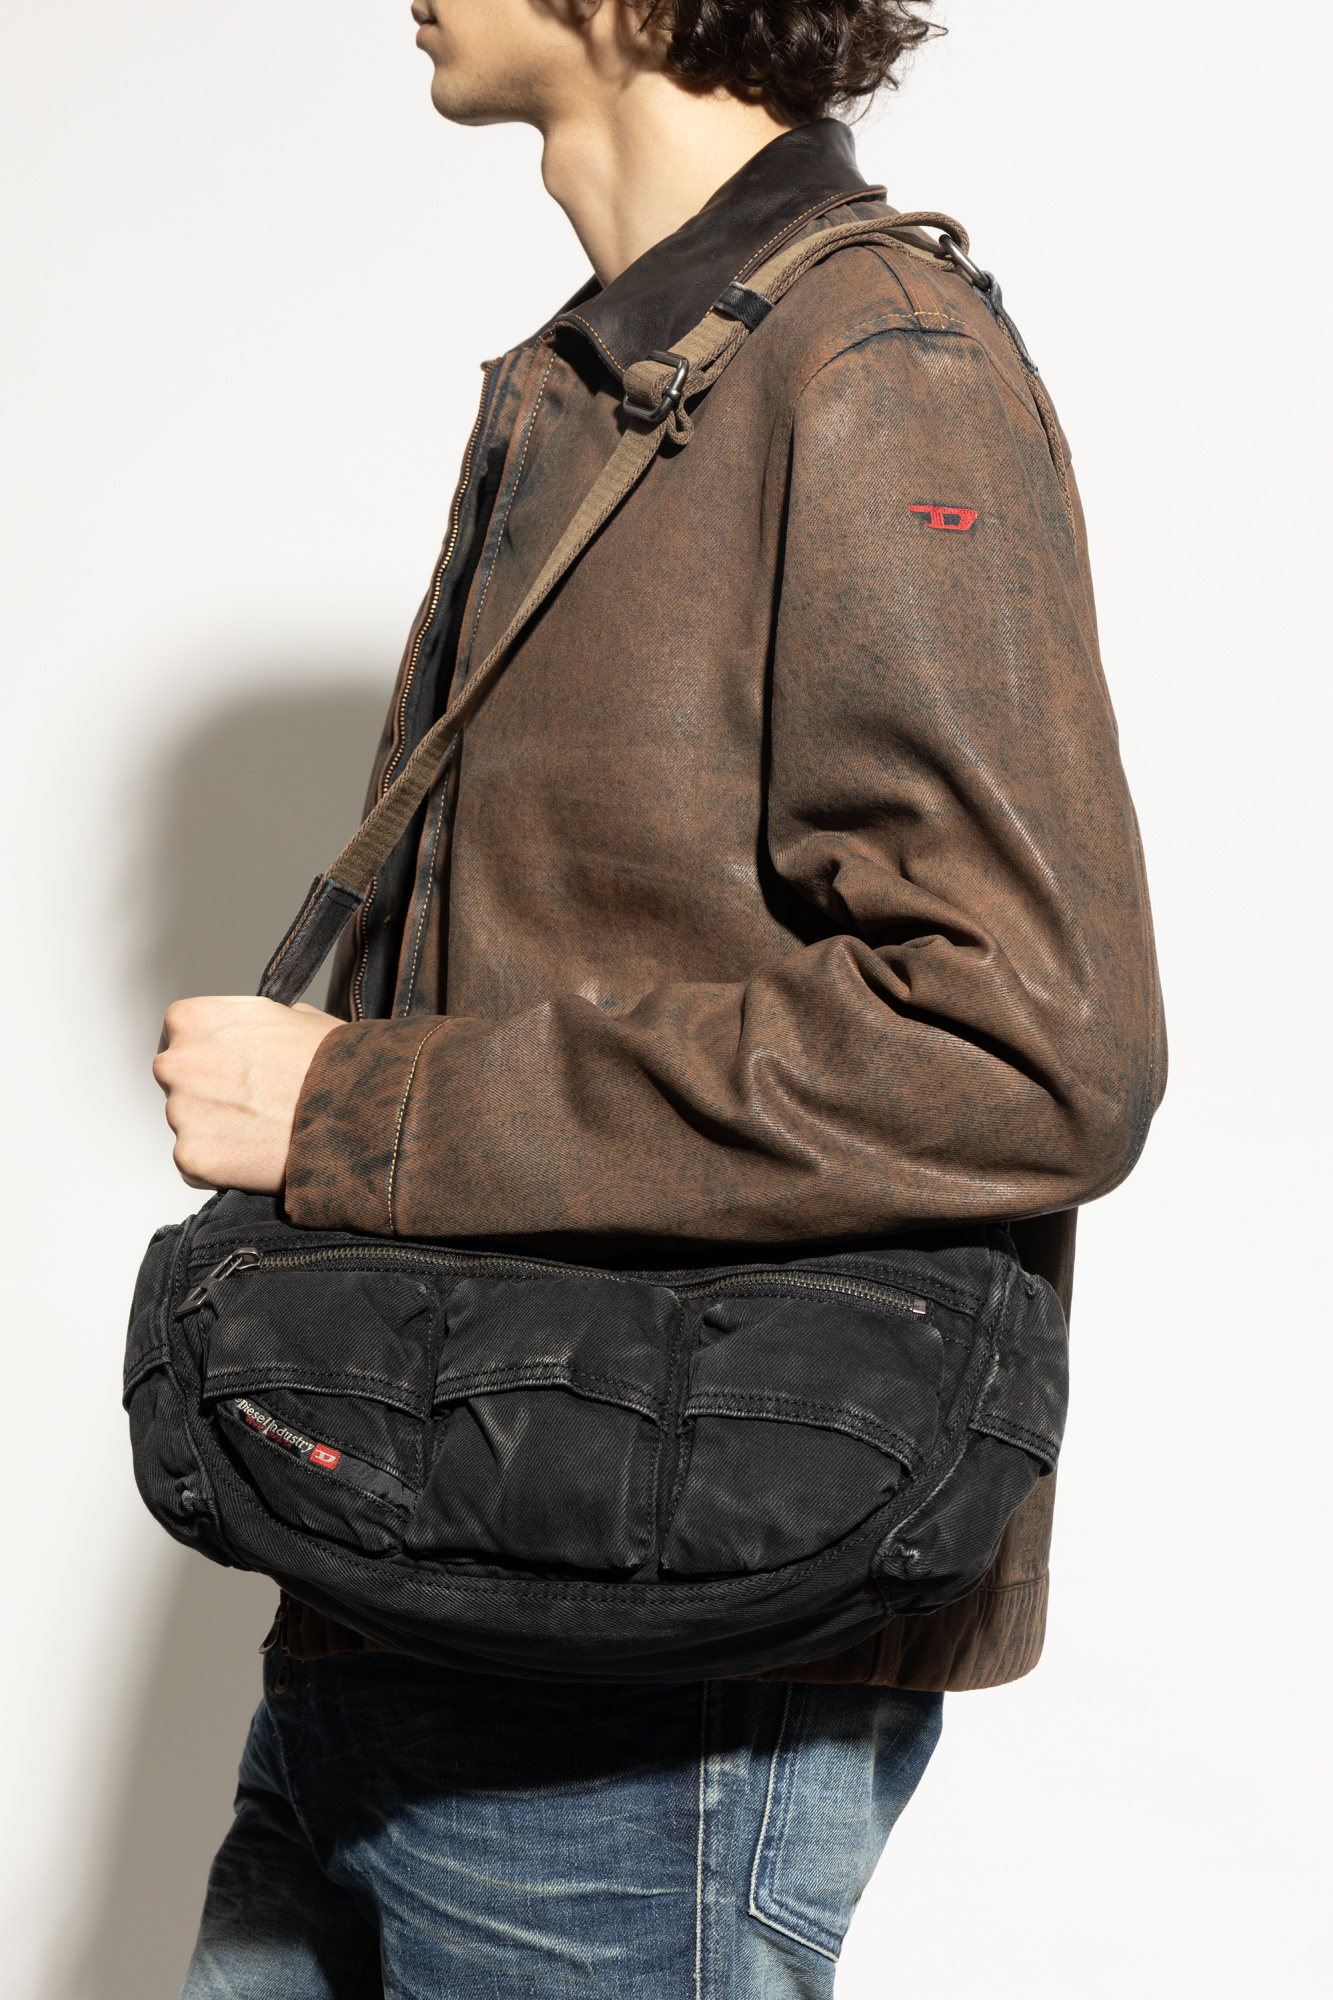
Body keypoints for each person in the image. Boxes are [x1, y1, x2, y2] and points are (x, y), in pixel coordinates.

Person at [153, 0, 1164, 1992]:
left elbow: (1026, 1045)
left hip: (641, 1696)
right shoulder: (628, 369)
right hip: (423, 1572)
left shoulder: (873, 367)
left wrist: (350, 1109)